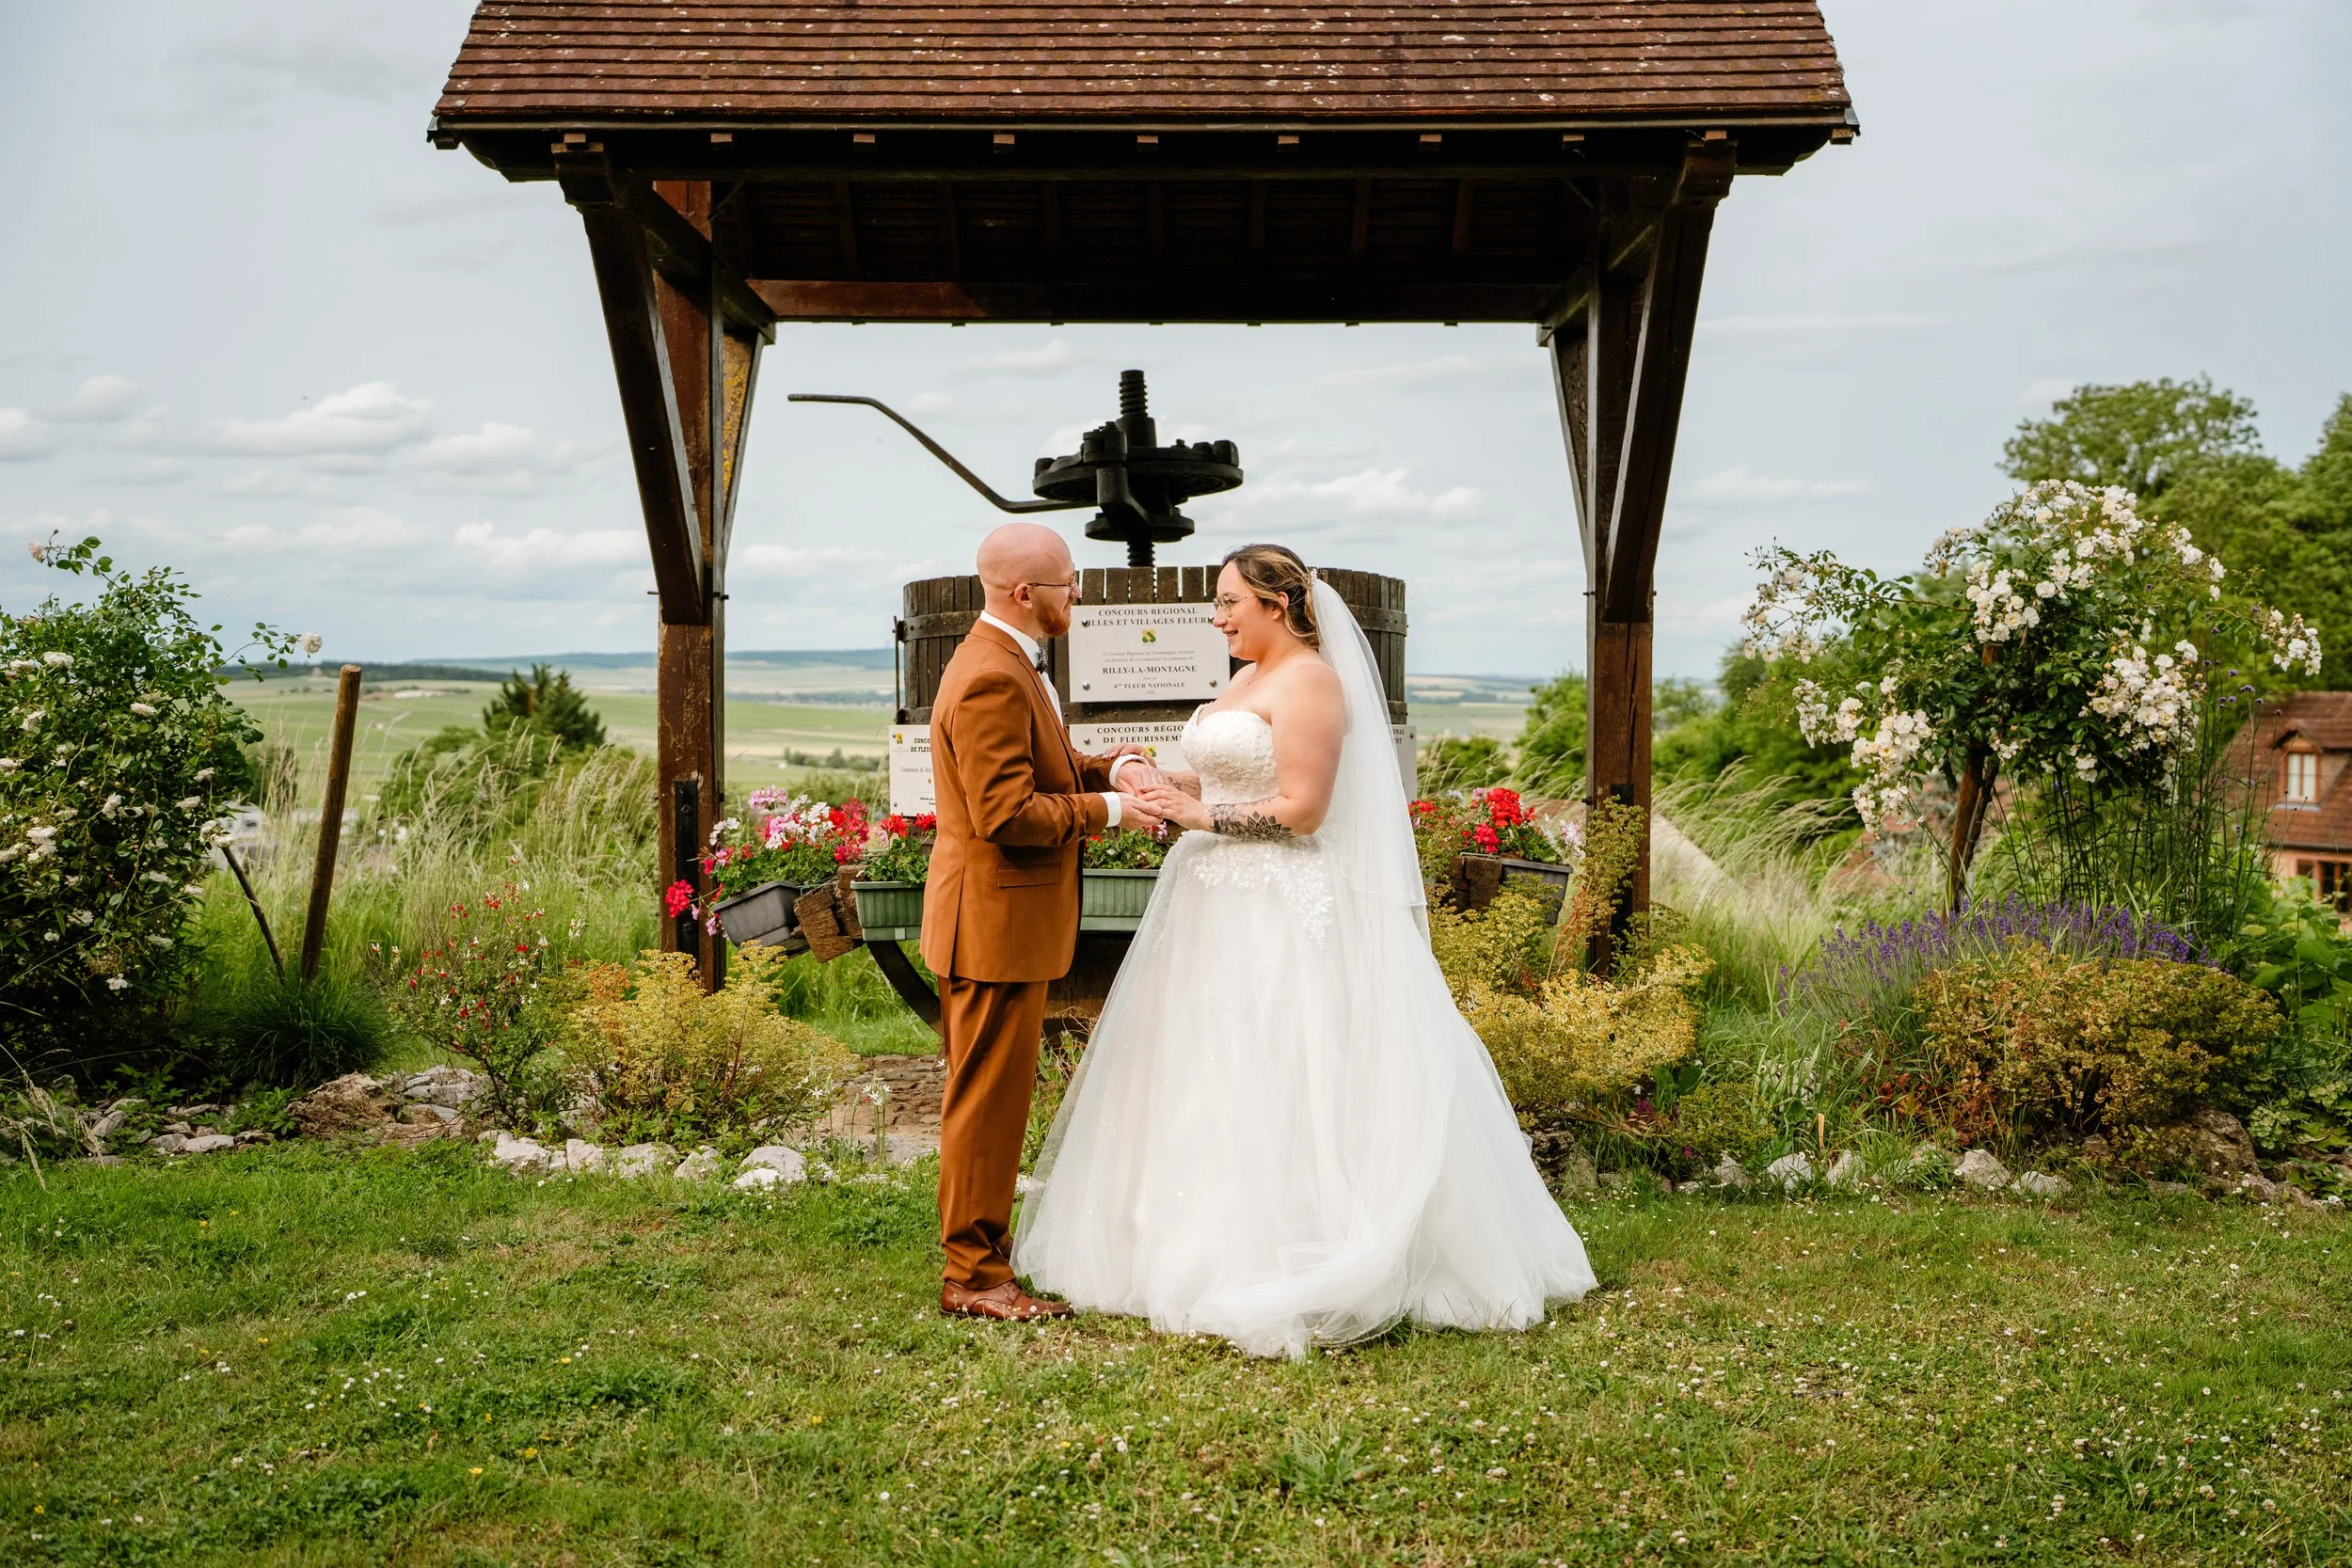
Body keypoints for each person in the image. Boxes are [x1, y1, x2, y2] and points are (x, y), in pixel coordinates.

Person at [1012, 543, 1596, 1358]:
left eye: (1227, 604)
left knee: (1286, 1062)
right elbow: (1227, 782)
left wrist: (1197, 819)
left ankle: (1299, 1244)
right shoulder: (1246, 679)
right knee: (1203, 1068)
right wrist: (1166, 789)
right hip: (1212, 898)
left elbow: (1303, 810)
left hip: (1283, 905)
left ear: (1275, 605)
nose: (1216, 618)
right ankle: (1174, 1242)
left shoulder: (1314, 683)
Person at [921, 522, 1159, 1322]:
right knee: (986, 1100)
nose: (1078, 594)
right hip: (991, 922)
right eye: (1067, 583)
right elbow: (1007, 813)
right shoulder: (993, 674)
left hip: (995, 918)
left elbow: (1042, 764)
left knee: (989, 1094)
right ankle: (976, 1277)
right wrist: (1115, 810)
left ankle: (983, 1258)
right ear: (1026, 593)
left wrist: (1110, 764)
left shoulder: (1008, 661)